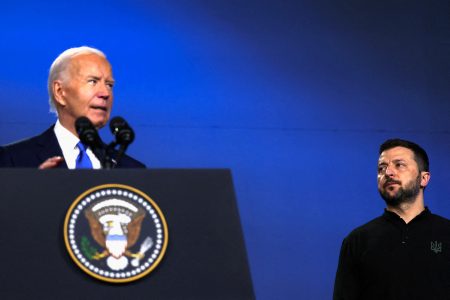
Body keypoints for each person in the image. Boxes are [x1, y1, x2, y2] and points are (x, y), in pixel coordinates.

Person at [333, 139, 450, 300]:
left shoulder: (446, 233)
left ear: (424, 178)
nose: (388, 173)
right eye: (381, 168)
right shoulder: (357, 241)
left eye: (399, 165)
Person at [0, 46, 145, 169]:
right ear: (60, 92)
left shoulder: (130, 169)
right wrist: (31, 190)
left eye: (109, 85)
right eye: (93, 81)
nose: (105, 93)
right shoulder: (12, 160)